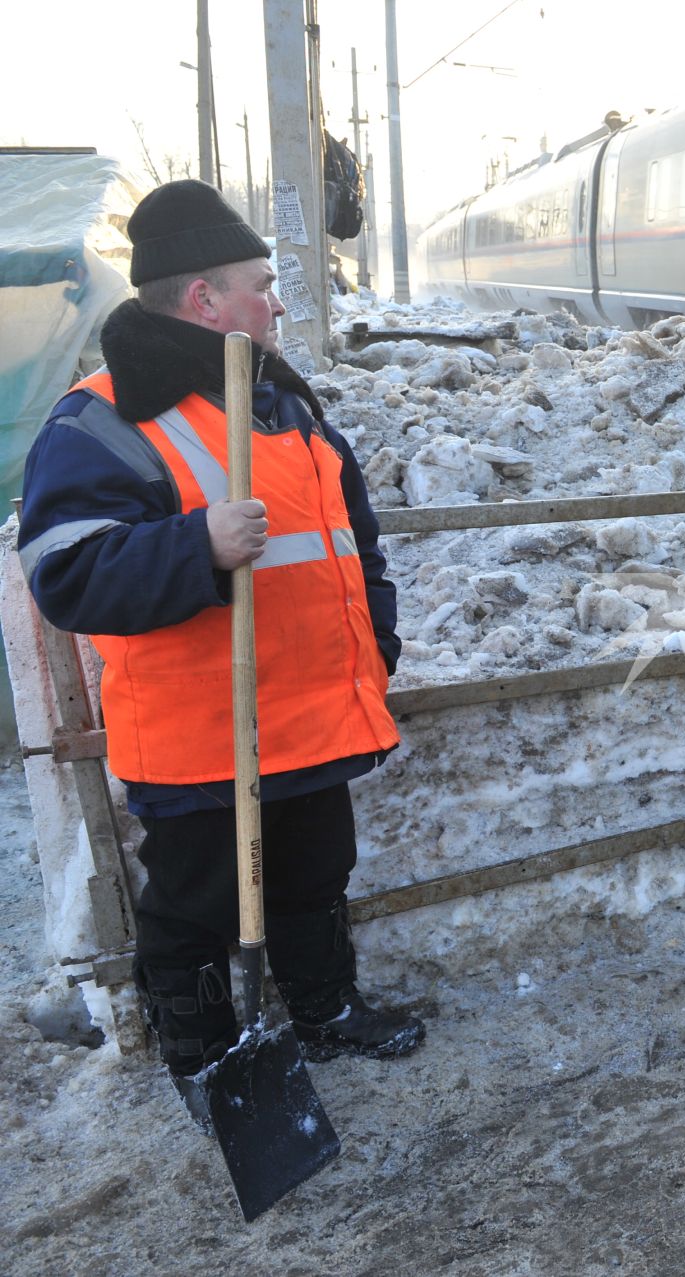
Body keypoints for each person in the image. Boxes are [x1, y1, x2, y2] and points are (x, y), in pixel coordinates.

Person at [17, 180, 424, 1111]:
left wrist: (378, 640)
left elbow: (349, 540)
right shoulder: (105, 419)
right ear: (204, 298)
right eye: (261, 281)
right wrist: (193, 545)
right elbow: (65, 573)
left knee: (318, 871)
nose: (277, 300)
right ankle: (206, 1059)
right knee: (196, 903)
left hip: (313, 711)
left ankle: (326, 1009)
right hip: (205, 730)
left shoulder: (283, 402)